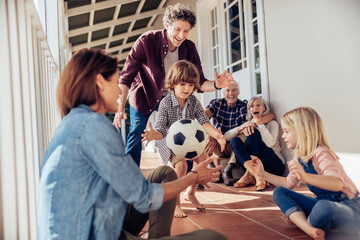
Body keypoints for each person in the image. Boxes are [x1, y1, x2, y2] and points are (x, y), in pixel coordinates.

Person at [37, 49, 228, 240]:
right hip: (90, 234)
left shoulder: (74, 122)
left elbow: (123, 189)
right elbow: (143, 197)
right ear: (99, 82)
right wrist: (192, 178)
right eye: (115, 81)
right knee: (214, 237)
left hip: (96, 224)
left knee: (165, 173)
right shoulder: (94, 127)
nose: (120, 90)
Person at [114, 3, 232, 166]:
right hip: (145, 96)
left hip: (173, 98)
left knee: (186, 131)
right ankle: (129, 176)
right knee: (137, 133)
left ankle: (190, 176)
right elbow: (126, 76)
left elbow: (199, 82)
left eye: (186, 31)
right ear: (167, 25)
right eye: (177, 29)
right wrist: (120, 107)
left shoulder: (189, 47)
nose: (181, 35)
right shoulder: (147, 40)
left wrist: (217, 85)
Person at [252, 107, 360, 240]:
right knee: (279, 192)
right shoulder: (299, 157)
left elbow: (337, 184)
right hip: (322, 203)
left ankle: (304, 221)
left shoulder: (321, 153)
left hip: (349, 207)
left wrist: (305, 176)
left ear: (302, 131)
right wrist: (262, 174)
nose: (283, 136)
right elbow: (288, 184)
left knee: (322, 207)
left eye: (286, 131)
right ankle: (309, 227)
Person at [142, 60, 226, 218]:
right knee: (180, 167)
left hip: (189, 141)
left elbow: (204, 122)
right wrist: (153, 135)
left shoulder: (193, 101)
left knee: (203, 162)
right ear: (173, 84)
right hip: (167, 141)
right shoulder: (166, 103)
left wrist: (216, 135)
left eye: (190, 85)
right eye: (182, 84)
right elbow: (160, 129)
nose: (187, 88)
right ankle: (175, 203)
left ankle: (191, 193)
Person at [204, 81, 274, 185]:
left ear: (238, 92)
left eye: (234, 90)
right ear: (223, 92)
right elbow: (202, 118)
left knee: (245, 131)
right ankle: (213, 170)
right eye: (228, 90)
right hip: (218, 144)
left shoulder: (244, 106)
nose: (231, 93)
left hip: (234, 147)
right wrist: (213, 135)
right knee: (203, 130)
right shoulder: (216, 103)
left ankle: (228, 169)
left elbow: (271, 116)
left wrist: (256, 122)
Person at [228, 96, 285, 191]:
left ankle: (249, 175)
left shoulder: (272, 124)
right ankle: (257, 176)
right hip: (255, 167)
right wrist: (241, 127)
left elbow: (270, 144)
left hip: (275, 166)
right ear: (249, 110)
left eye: (258, 105)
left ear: (264, 108)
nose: (255, 108)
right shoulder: (248, 125)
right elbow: (226, 136)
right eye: (251, 106)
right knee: (235, 141)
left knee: (253, 132)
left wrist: (260, 125)